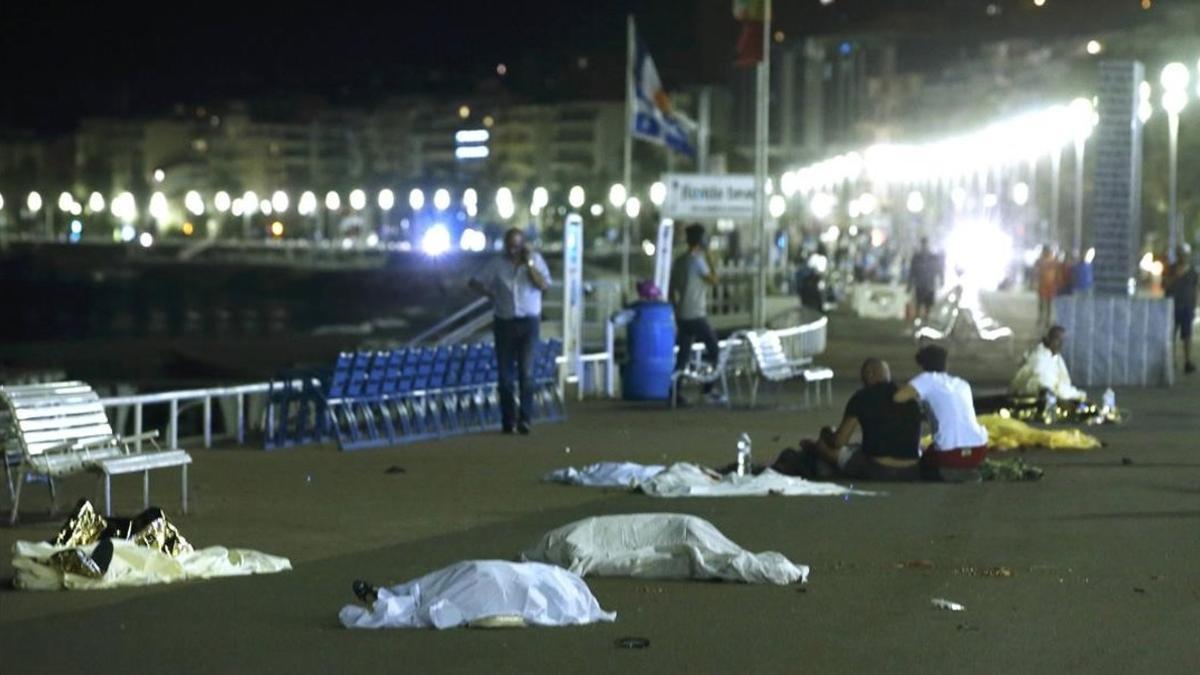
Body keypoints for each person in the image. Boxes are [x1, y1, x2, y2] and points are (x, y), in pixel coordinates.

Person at [769, 358, 923, 481]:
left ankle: (811, 449)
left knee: (824, 445)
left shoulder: (862, 397)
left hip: (877, 469)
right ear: (887, 375)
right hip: (911, 469)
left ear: (869, 374)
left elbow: (838, 442)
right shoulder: (910, 399)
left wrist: (826, 434)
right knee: (856, 448)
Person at [469, 228, 552, 434]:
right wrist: (490, 294)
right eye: (510, 245)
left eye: (517, 245)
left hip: (529, 322)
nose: (513, 250)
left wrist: (529, 264)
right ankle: (508, 420)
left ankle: (525, 418)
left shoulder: (534, 260)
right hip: (504, 322)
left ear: (523, 244)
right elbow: (474, 281)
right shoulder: (497, 264)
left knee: (526, 372)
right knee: (505, 377)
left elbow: (543, 284)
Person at [894, 345, 989, 481]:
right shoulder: (962, 383)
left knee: (922, 461)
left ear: (923, 365)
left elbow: (898, 398)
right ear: (945, 364)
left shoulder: (926, 379)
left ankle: (946, 472)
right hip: (979, 450)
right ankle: (965, 469)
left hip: (950, 454)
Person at [669, 223, 721, 405]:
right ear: (701, 241)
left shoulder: (680, 261)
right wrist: (709, 255)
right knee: (715, 350)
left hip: (682, 314)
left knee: (682, 356)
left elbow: (671, 289)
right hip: (696, 314)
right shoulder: (697, 261)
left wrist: (676, 309)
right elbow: (714, 280)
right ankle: (708, 388)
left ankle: (674, 393)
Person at [1010, 325, 1087, 401]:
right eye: (1058, 340)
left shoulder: (1055, 357)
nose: (1061, 344)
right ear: (1049, 339)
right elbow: (1053, 389)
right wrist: (1078, 395)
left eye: (1063, 341)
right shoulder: (1041, 359)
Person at [1164, 245, 1198, 374]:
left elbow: (1195, 290)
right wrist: (1175, 276)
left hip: (1187, 307)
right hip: (1171, 306)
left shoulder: (1193, 271)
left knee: (1187, 335)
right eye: (1180, 254)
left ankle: (1187, 361)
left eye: (1184, 254)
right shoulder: (1171, 269)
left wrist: (1194, 306)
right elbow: (1165, 285)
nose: (1182, 257)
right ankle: (1170, 361)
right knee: (1170, 335)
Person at [908, 237, 942, 320]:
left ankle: (925, 321)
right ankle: (918, 320)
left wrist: (941, 279)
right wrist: (909, 284)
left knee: (927, 306)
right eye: (923, 244)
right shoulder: (917, 257)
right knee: (919, 305)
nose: (924, 246)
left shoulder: (932, 257)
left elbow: (938, 269)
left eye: (925, 244)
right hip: (920, 285)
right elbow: (912, 271)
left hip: (929, 285)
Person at [1034, 246, 1059, 330]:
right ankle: (1041, 318)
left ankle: (1047, 320)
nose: (1046, 253)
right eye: (1045, 251)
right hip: (1042, 285)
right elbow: (1036, 272)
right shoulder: (1040, 261)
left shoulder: (1053, 261)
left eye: (1047, 251)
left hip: (1050, 286)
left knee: (1048, 304)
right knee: (1041, 304)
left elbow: (1057, 273)